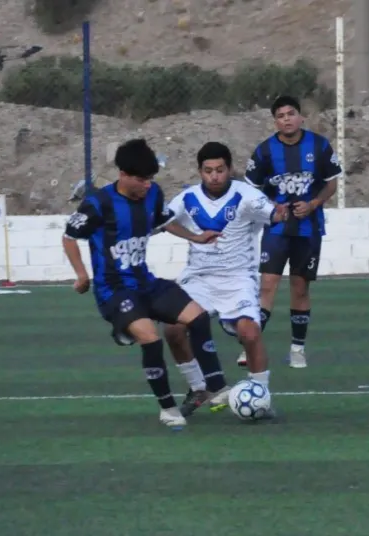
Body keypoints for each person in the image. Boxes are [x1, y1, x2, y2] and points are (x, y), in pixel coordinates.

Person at [61, 138, 230, 430]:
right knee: (151, 338)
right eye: (141, 179)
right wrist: (81, 274)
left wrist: (196, 237)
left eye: (151, 179)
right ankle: (167, 408)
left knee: (198, 317)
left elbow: (163, 222)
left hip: (146, 282)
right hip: (114, 290)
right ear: (123, 175)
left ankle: (210, 387)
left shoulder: (153, 195)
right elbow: (69, 237)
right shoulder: (98, 203)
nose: (147, 185)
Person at [162, 142, 288, 418]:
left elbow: (275, 213)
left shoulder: (246, 195)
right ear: (200, 171)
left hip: (237, 278)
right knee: (172, 328)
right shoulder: (188, 198)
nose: (215, 176)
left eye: (220, 170)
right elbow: (164, 220)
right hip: (198, 278)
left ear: (229, 169)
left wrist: (282, 211)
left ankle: (260, 396)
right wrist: (192, 236)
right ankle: (199, 388)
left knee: (250, 333)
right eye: (208, 171)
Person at [242, 95, 343, 369]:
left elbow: (331, 184)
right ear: (275, 121)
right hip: (276, 230)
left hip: (308, 230)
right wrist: (272, 206)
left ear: (300, 117)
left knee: (300, 288)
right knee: (267, 286)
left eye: (290, 113)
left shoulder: (319, 146)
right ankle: (251, 346)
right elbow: (250, 190)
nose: (286, 119)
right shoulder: (264, 151)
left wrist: (313, 204)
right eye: (280, 116)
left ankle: (297, 349)